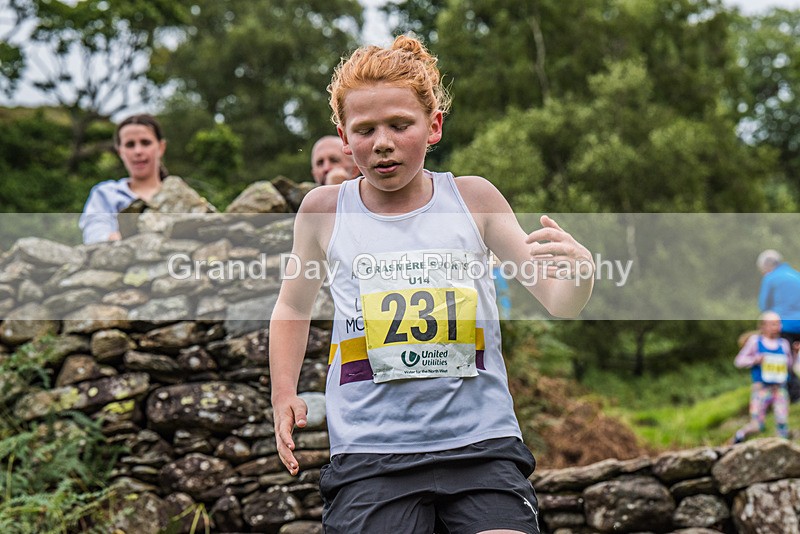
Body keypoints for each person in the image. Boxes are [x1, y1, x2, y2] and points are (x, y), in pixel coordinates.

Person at [269, 35, 594, 534]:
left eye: (400, 125)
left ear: (434, 126)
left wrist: (580, 273)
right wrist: (283, 393)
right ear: (343, 136)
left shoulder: (474, 199)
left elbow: (558, 300)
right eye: (365, 129)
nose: (382, 142)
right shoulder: (324, 211)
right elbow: (292, 306)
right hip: (372, 451)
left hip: (480, 443)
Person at [79, 113, 168, 244]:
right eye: (130, 144)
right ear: (120, 152)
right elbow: (94, 235)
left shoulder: (182, 197)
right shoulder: (105, 194)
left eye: (145, 143)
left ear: (161, 147)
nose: (138, 151)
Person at [731, 311, 794, 443]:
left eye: (778, 324)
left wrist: (795, 353)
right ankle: (739, 436)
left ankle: (782, 448)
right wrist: (756, 359)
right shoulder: (755, 341)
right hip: (761, 388)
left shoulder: (783, 344)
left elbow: (789, 365)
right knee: (757, 425)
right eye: (773, 324)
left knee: (782, 422)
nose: (777, 327)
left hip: (780, 388)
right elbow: (739, 361)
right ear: (763, 326)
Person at [757, 249, 800, 401]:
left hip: (784, 326)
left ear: (766, 267)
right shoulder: (796, 275)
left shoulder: (770, 278)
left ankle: (795, 396)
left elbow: (764, 306)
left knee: (784, 361)